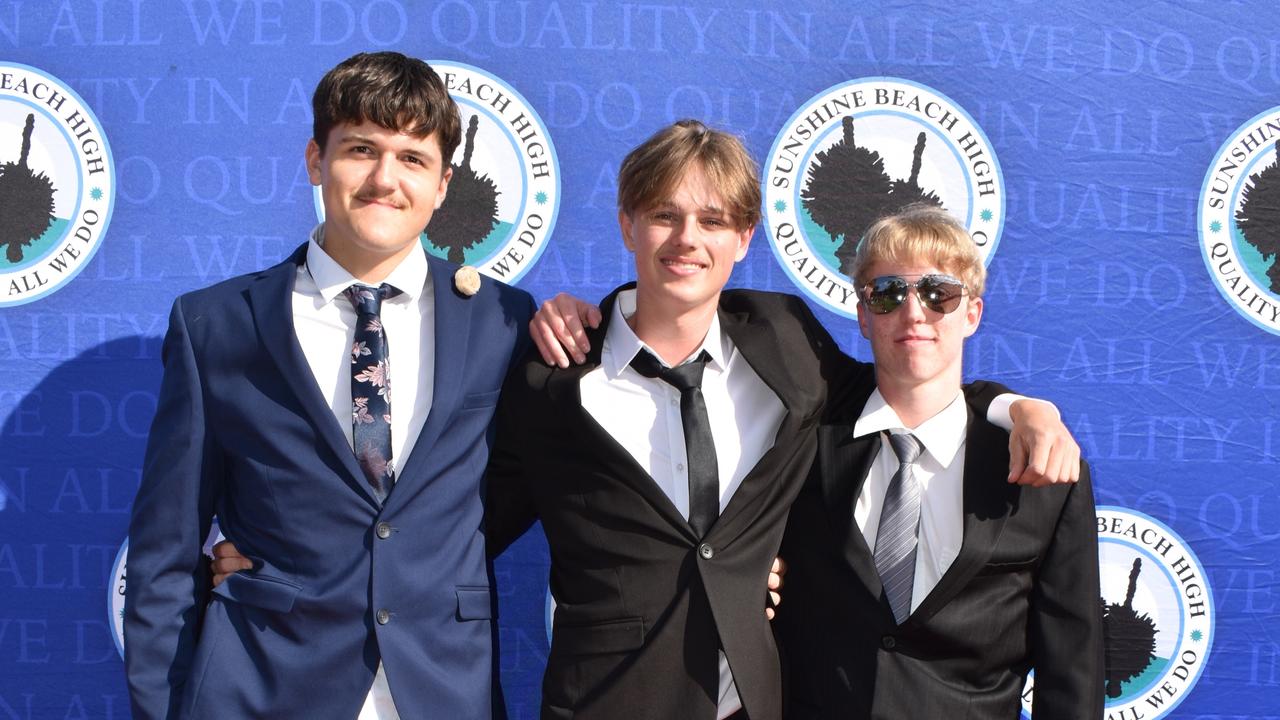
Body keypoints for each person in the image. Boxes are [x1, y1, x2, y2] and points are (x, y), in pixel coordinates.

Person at [482, 121, 1076, 720]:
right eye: (665, 214)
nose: (688, 239)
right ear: (626, 224)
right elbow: (468, 525)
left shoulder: (787, 345)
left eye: (712, 220)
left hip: (756, 704)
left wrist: (1020, 407)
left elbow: (910, 379)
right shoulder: (553, 376)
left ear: (744, 238)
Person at [123, 52, 534, 720]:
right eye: (361, 149)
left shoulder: (503, 322)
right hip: (263, 688)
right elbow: (163, 554)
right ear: (316, 160)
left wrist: (744, 570)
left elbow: (560, 482)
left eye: (411, 158)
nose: (384, 179)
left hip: (441, 689)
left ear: (443, 184)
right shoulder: (217, 325)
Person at [773, 206, 1103, 719]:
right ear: (863, 315)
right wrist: (605, 317)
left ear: (971, 313)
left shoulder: (1045, 467)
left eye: (938, 293)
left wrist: (1025, 408)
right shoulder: (802, 439)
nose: (913, 313)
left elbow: (1073, 672)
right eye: (887, 293)